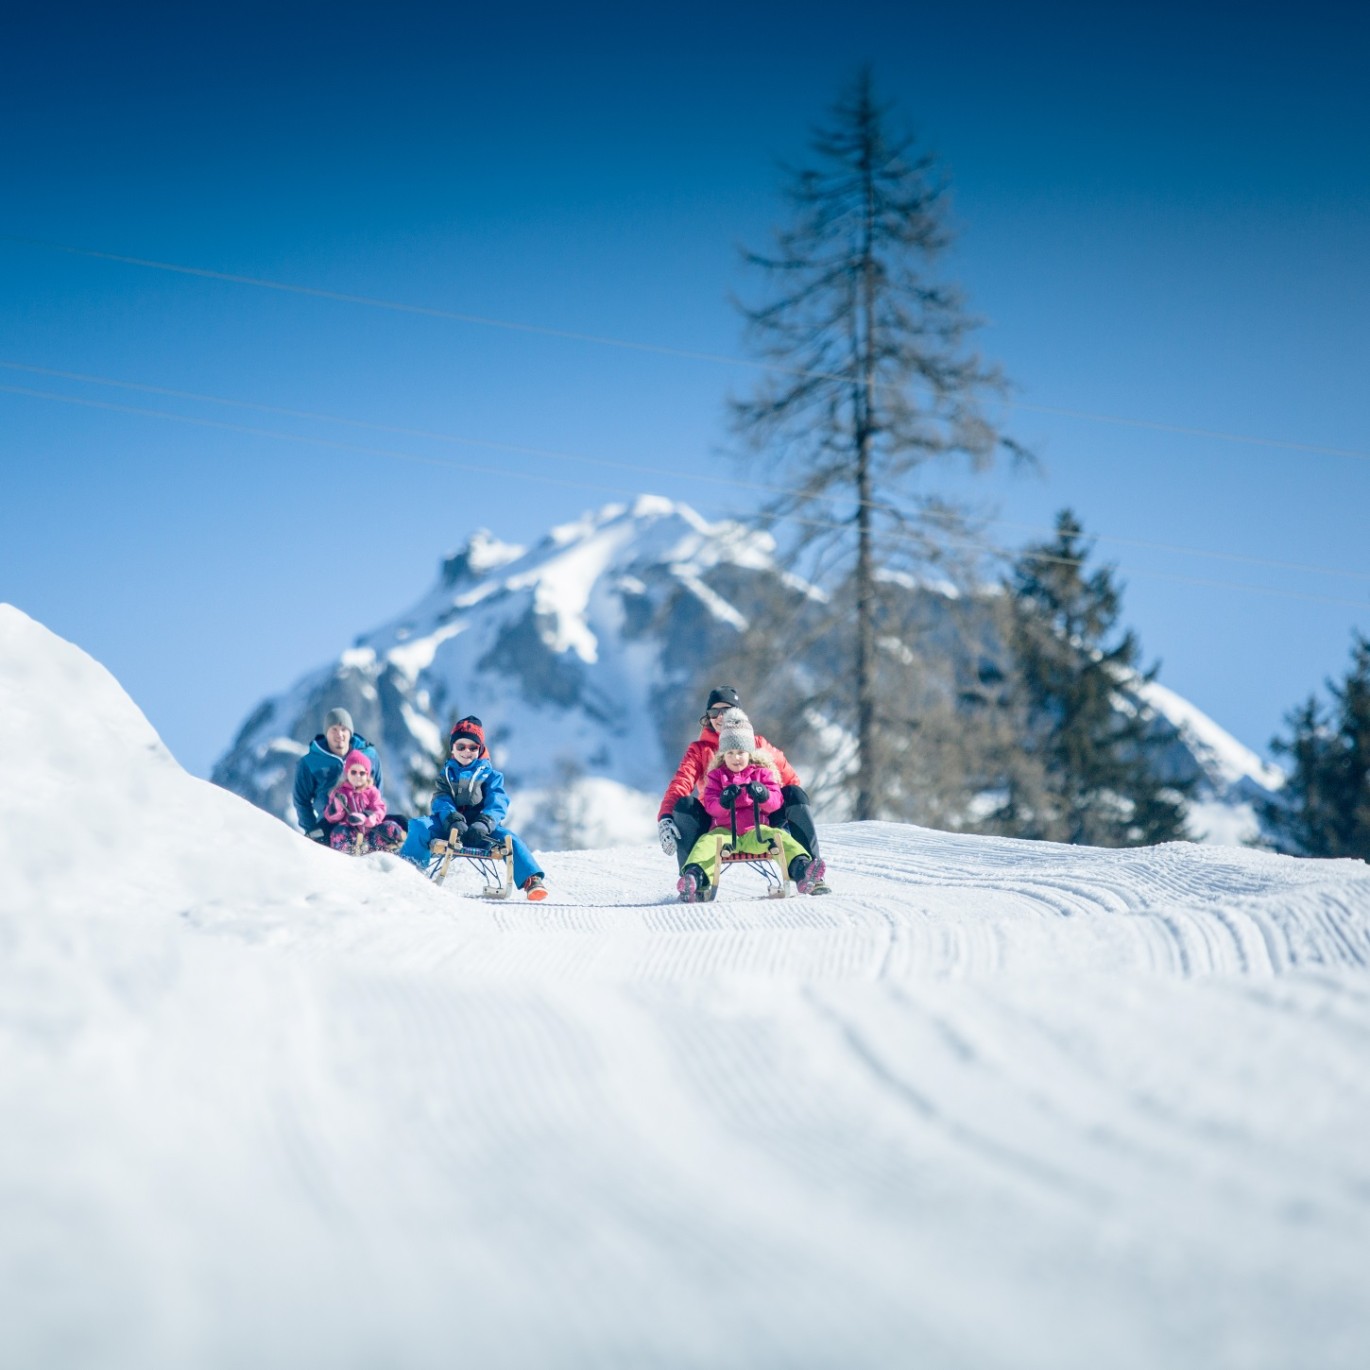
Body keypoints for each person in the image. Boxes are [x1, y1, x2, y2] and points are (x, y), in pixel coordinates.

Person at [657, 685, 829, 892]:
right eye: (714, 712)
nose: (720, 717)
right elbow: (681, 783)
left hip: (760, 818)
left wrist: (768, 800)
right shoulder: (700, 750)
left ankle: (808, 872)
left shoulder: (757, 745)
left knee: (795, 793)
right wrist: (665, 816)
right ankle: (693, 880)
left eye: (726, 710)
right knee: (685, 805)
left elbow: (791, 780)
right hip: (718, 821)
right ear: (707, 717)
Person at [398, 716, 549, 901]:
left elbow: (498, 801)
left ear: (480, 748)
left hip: (481, 831)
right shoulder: (446, 774)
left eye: (472, 747)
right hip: (450, 828)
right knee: (419, 826)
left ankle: (531, 880)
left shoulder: (491, 775)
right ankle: (408, 870)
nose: (466, 752)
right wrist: (451, 818)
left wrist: (485, 822)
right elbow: (441, 799)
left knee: (510, 840)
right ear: (453, 748)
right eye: (461, 746)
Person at [292, 707, 385, 840]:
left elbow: (377, 787)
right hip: (330, 825)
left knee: (400, 824)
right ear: (326, 733)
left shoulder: (369, 755)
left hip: (366, 821)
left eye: (343, 729)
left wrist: (371, 815)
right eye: (333, 729)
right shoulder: (309, 763)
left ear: (350, 732)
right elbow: (301, 801)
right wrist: (312, 829)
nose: (339, 734)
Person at [322, 750, 406, 854]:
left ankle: (395, 847)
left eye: (362, 773)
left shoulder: (372, 791)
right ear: (347, 773)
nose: (358, 776)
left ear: (367, 775)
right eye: (354, 772)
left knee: (390, 826)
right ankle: (347, 852)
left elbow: (379, 809)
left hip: (371, 832)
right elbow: (329, 817)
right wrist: (337, 808)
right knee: (338, 832)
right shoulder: (339, 792)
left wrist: (366, 817)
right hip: (351, 833)